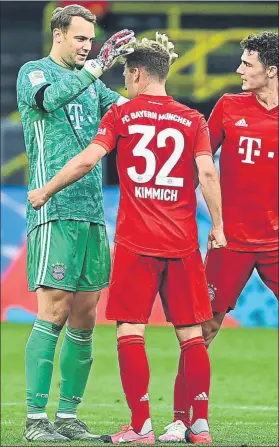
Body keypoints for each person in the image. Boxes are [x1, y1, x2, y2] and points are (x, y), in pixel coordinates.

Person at [28, 37, 227, 444]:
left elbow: (88, 159)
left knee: (129, 331)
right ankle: (200, 425)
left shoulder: (125, 115)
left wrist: (46, 190)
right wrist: (218, 226)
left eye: (126, 75)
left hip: (138, 243)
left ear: (136, 74)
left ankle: (141, 427)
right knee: (191, 334)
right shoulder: (193, 119)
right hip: (183, 243)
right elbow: (207, 174)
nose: (125, 82)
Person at [17, 4, 136, 442]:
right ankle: (35, 421)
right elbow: (50, 99)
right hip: (52, 209)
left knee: (85, 315)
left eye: (92, 40)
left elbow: (133, 112)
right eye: (81, 38)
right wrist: (99, 67)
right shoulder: (33, 72)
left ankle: (67, 418)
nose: (88, 47)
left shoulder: (95, 87)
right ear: (59, 34)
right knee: (55, 310)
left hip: (91, 212)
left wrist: (150, 72)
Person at [158, 31, 279, 443]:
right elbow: (199, 166)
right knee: (202, 329)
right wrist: (175, 211)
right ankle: (181, 418)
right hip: (231, 242)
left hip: (277, 244)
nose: (239, 70)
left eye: (247, 64)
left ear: (272, 71)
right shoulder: (228, 107)